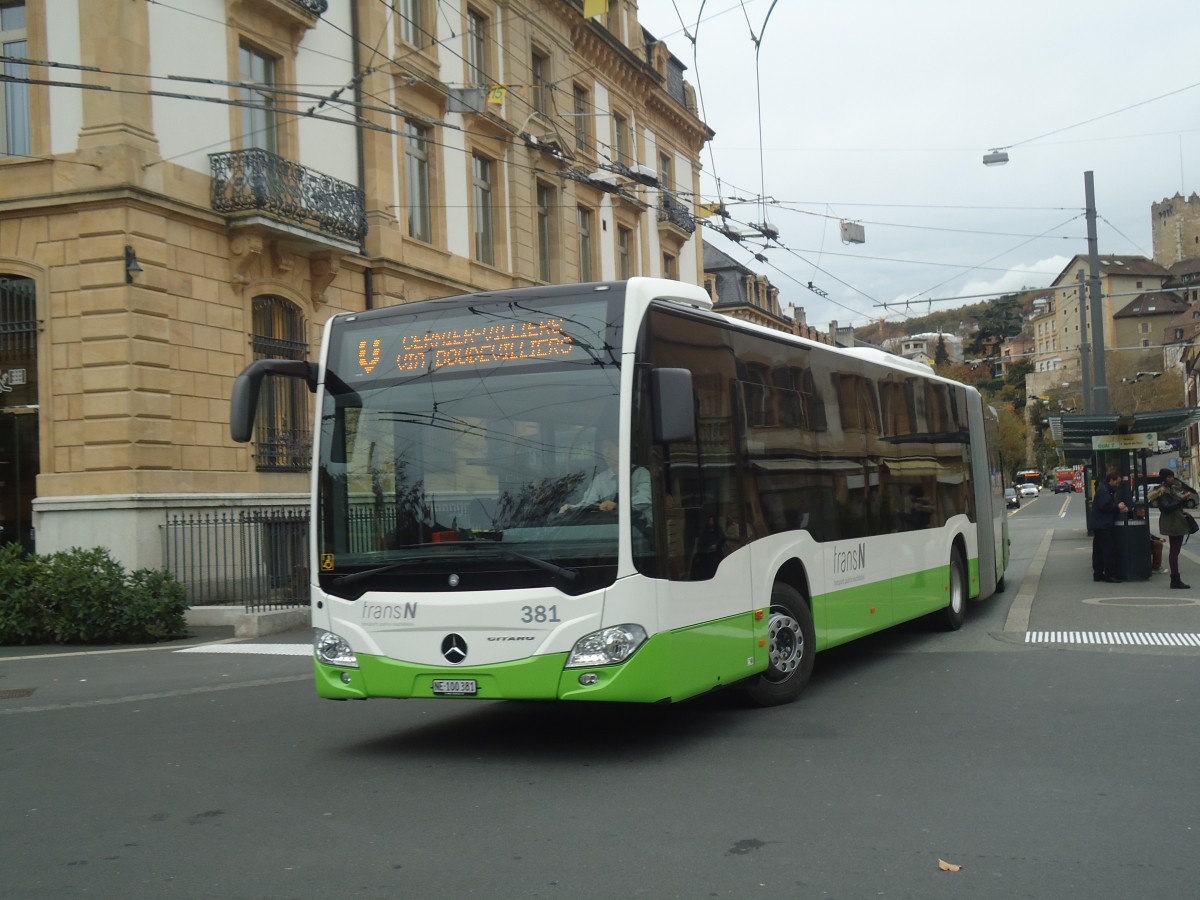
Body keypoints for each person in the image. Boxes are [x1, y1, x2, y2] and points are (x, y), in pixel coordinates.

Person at [560, 437, 650, 515]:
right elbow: (588, 503)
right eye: (604, 448)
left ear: (623, 448)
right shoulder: (600, 479)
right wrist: (572, 508)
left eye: (610, 447)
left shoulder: (641, 473)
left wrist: (617, 506)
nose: (606, 452)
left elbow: (645, 500)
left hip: (639, 529)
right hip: (610, 526)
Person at [1148, 468, 1195, 589]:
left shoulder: (1169, 489)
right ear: (1164, 478)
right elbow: (1166, 507)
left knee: (1175, 550)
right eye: (1169, 477)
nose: (1172, 478)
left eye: (1172, 476)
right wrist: (1182, 500)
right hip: (1172, 521)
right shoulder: (1163, 491)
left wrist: (1182, 504)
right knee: (1174, 551)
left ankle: (1175, 579)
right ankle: (1175, 579)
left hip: (1175, 520)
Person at [1088, 470, 1127, 583]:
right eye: (1116, 482)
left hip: (1099, 524)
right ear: (1111, 480)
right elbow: (1105, 507)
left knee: (1099, 550)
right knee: (1108, 549)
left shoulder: (1103, 489)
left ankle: (1098, 573)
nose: (1117, 485)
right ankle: (1110, 574)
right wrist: (1118, 507)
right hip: (1103, 524)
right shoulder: (1104, 491)